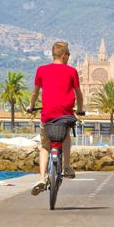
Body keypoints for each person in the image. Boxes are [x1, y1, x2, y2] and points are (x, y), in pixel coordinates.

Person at [27, 41, 84, 196]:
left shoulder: (41, 70)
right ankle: (66, 166)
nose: (69, 57)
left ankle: (41, 178)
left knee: (45, 146)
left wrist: (31, 106)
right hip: (65, 115)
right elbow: (79, 94)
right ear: (64, 55)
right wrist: (80, 109)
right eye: (69, 54)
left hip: (47, 116)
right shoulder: (71, 71)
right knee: (65, 135)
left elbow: (35, 93)